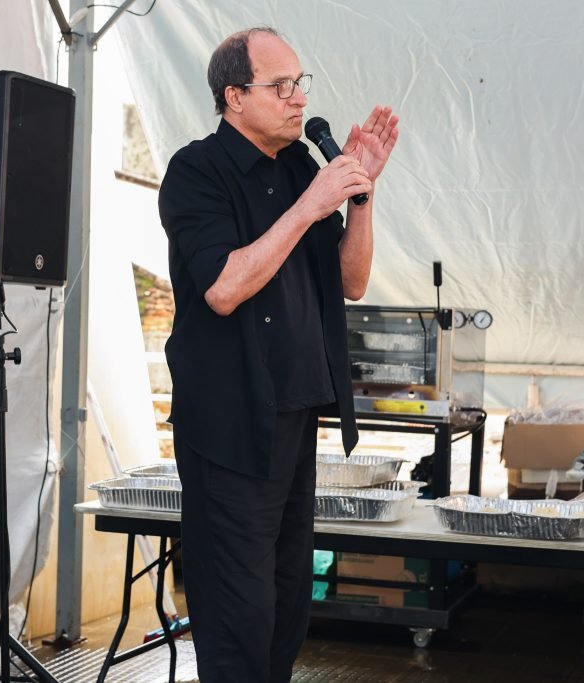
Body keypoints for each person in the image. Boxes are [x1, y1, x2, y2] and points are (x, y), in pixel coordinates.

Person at [157, 26, 399, 683]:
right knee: (240, 609)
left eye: (301, 84)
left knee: (288, 600)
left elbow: (349, 282)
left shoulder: (298, 167)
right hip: (231, 424)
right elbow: (225, 287)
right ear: (234, 97)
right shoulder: (196, 172)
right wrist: (309, 204)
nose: (297, 99)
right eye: (280, 86)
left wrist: (359, 198)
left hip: (295, 415)